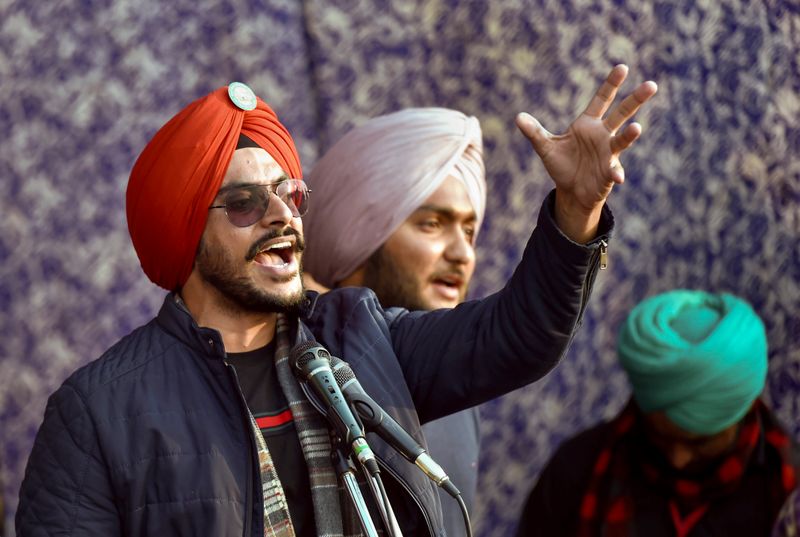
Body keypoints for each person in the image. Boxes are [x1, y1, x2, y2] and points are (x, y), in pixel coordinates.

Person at [16, 65, 656, 537]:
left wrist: (576, 211)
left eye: (289, 194)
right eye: (245, 203)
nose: (281, 215)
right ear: (186, 233)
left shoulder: (363, 337)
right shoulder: (97, 412)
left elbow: (521, 337)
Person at [302, 107, 485, 537]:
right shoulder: (301, 376)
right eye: (433, 224)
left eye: (469, 231)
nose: (463, 254)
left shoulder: (464, 380)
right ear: (359, 237)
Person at [516, 289, 800, 537]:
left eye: (699, 442)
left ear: (745, 409)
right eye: (660, 437)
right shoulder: (578, 470)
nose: (677, 459)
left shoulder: (787, 493)